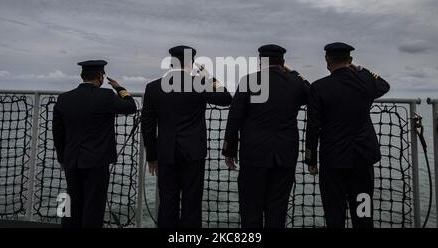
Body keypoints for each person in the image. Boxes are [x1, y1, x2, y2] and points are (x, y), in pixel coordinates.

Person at [141, 46, 232, 228]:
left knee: (167, 202)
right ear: (191, 62)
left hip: (166, 152)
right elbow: (226, 98)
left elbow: (148, 127)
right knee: (192, 203)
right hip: (193, 152)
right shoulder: (199, 84)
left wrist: (152, 157)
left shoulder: (152, 88)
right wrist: (209, 77)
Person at [222, 44, 310, 228]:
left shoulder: (249, 81)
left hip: (254, 154)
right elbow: (311, 94)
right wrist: (293, 72)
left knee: (250, 208)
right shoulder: (295, 83)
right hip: (285, 155)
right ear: (283, 62)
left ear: (260, 61)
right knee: (278, 208)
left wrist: (229, 150)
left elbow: (234, 118)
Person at [305, 42, 390, 228]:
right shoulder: (366, 82)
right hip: (363, 159)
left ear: (327, 61)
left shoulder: (319, 87)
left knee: (334, 212)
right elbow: (384, 85)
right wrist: (361, 69)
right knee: (363, 211)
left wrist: (310, 160)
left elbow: (313, 127)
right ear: (350, 60)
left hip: (333, 160)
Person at [53, 60, 137, 228]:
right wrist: (119, 88)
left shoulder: (64, 99)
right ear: (100, 76)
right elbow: (130, 106)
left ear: (82, 76)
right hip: (96, 162)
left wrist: (62, 158)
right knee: (93, 205)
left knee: (71, 202)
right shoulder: (105, 96)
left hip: (71, 161)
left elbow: (58, 133)